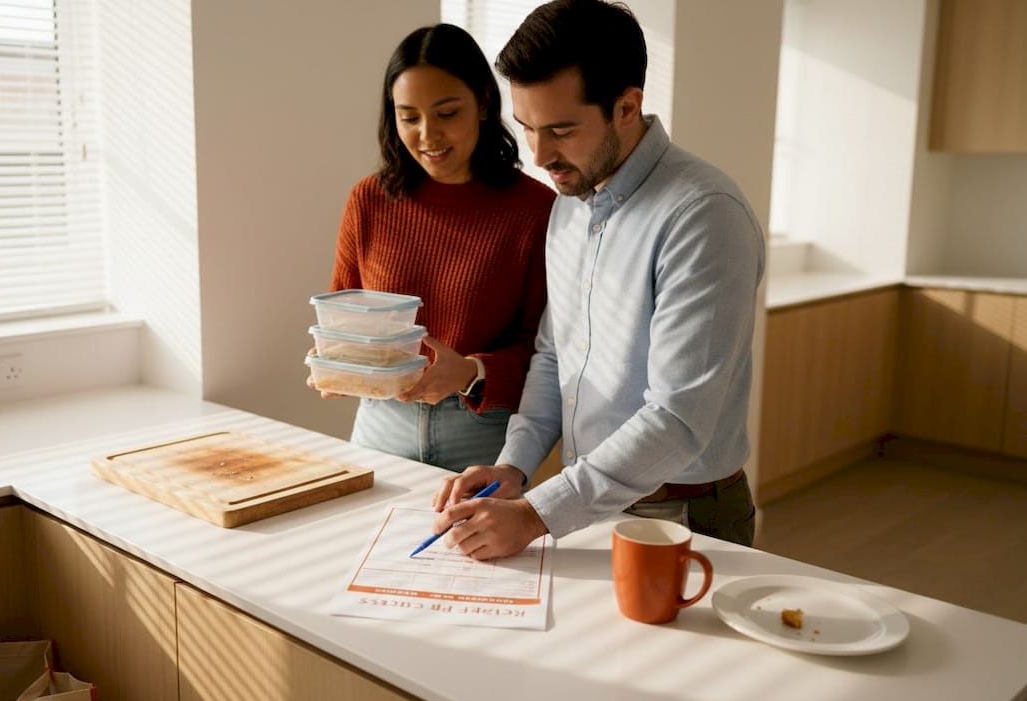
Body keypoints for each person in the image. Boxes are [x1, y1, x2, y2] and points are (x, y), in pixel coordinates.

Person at [431, 0, 764, 558]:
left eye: (561, 130)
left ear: (627, 106)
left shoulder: (704, 215)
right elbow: (554, 355)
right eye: (527, 128)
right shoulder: (572, 201)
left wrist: (538, 512)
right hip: (584, 504)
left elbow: (679, 418)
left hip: (680, 515)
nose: (539, 155)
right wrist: (514, 467)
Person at [313, 23, 555, 473]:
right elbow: (343, 318)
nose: (428, 136)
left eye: (446, 113)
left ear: (483, 102)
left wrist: (469, 371)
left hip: (485, 433)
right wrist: (337, 362)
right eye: (409, 116)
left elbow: (547, 355)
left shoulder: (536, 210)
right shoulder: (369, 200)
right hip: (380, 427)